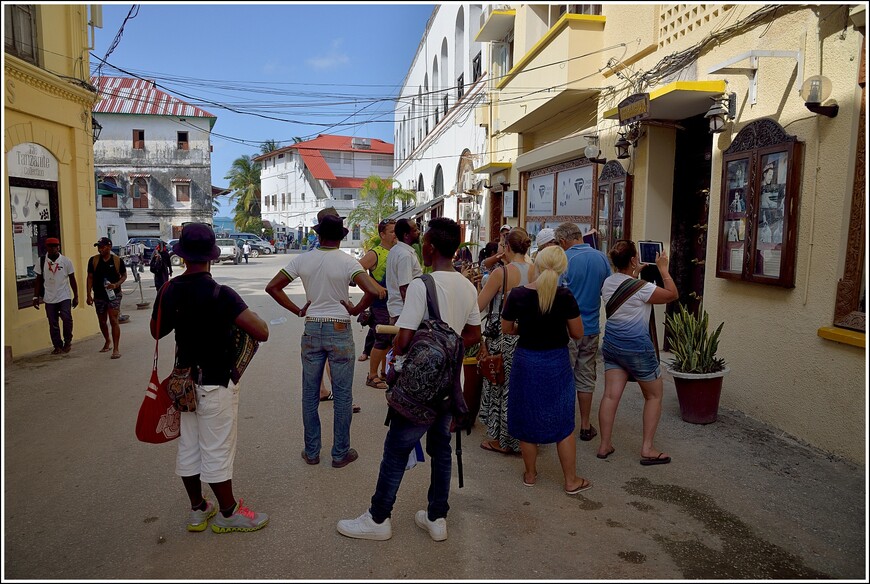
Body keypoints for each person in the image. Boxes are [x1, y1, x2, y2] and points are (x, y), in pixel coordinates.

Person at [336, 217, 481, 542]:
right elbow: (473, 335)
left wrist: (419, 352)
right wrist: (447, 345)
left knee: (396, 448)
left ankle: (378, 518)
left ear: (430, 248)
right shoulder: (468, 286)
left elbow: (403, 339)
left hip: (419, 386)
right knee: (441, 449)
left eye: (424, 243)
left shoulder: (422, 285)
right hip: (449, 384)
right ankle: (437, 517)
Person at [151, 223, 271, 533]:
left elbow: (156, 331)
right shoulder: (221, 294)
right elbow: (262, 332)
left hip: (183, 384)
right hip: (215, 382)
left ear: (181, 257)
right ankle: (228, 514)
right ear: (212, 258)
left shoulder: (170, 289)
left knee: (190, 445)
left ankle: (198, 509)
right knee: (217, 447)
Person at [265, 214, 382, 468]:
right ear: (342, 236)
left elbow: (273, 287)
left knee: (310, 394)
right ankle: (340, 453)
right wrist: (354, 309)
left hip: (312, 327)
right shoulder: (348, 262)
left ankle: (312, 452)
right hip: (339, 328)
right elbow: (372, 291)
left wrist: (298, 310)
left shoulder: (302, 259)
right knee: (342, 395)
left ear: (318, 235)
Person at [501, 246, 591, 494]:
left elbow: (507, 328)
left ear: (537, 265)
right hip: (556, 362)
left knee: (527, 415)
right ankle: (571, 480)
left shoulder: (517, 295)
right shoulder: (565, 296)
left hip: (526, 361)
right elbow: (578, 334)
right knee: (563, 421)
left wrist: (526, 329)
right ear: (563, 268)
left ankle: (530, 474)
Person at [597, 240, 678, 465]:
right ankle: (647, 448)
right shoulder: (642, 288)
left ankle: (604, 445)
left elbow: (626, 286)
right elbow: (672, 294)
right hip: (637, 348)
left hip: (612, 345)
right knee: (653, 395)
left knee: (610, 395)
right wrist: (663, 269)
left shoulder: (608, 283)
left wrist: (634, 271)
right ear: (633, 259)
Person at [477, 227, 536, 455]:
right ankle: (525, 438)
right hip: (528, 334)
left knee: (501, 386)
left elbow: (479, 306)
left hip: (504, 335)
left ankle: (503, 439)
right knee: (521, 387)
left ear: (507, 247)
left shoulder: (501, 273)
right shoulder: (535, 271)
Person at [555, 221, 612, 442]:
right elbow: (606, 289)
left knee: (565, 374)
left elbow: (556, 292)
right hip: (591, 326)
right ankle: (586, 425)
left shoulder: (565, 260)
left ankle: (564, 423)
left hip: (567, 328)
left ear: (563, 241)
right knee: (586, 375)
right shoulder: (601, 258)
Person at [357, 219, 397, 388]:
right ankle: (372, 375)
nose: (395, 234)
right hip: (380, 304)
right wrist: (375, 286)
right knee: (381, 338)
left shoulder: (397, 251)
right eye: (391, 231)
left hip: (394, 303)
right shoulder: (376, 253)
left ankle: (384, 372)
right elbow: (357, 269)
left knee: (390, 339)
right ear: (382, 235)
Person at [33, 237, 79, 354]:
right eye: (50, 246)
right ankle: (57, 345)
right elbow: (38, 280)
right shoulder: (41, 261)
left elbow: (72, 279)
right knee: (53, 323)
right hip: (49, 297)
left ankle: (67, 341)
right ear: (46, 248)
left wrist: (76, 296)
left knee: (67, 318)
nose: (53, 248)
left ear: (59, 247)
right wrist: (35, 297)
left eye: (55, 246)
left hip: (64, 296)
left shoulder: (66, 261)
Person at [86, 237, 126, 359]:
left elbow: (124, 276)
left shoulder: (117, 260)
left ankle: (116, 348)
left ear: (109, 247)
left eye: (102, 247)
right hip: (99, 294)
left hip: (114, 294)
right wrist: (88, 294)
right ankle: (107, 340)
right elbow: (90, 277)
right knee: (102, 321)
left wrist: (116, 285)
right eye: (98, 247)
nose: (100, 249)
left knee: (114, 320)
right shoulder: (93, 260)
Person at [386, 218, 423, 325]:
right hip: (402, 312)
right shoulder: (405, 255)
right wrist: (411, 314)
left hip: (397, 310)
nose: (418, 232)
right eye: (415, 230)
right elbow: (404, 287)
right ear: (406, 235)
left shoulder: (396, 250)